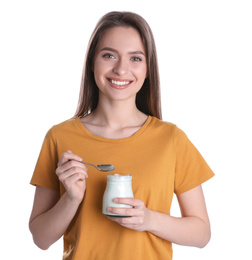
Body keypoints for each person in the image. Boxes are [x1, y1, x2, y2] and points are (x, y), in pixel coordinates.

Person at [29, 11, 215, 260]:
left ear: (148, 69)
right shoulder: (59, 137)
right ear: (91, 63)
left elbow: (201, 233)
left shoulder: (171, 139)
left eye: (135, 58)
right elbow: (41, 239)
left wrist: (148, 219)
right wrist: (71, 198)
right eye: (109, 55)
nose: (121, 69)